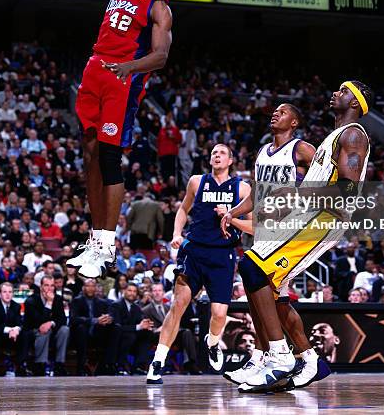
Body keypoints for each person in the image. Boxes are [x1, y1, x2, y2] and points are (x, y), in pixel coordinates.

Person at [224, 81, 372, 392]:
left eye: (343, 90)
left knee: (252, 267)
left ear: (356, 103)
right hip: (305, 214)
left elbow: (347, 188)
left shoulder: (354, 134)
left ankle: (279, 356)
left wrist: (297, 195)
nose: (335, 92)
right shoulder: (335, 136)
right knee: (264, 284)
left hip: (322, 218)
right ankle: (301, 358)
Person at [68, 0, 174, 279]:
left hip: (121, 77)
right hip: (96, 68)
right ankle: (94, 239)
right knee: (90, 152)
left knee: (111, 158)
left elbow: (161, 56)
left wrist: (130, 69)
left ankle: (107, 244)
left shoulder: (160, 4)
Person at [220, 104, 321, 390]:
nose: (276, 114)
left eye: (283, 112)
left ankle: (280, 355)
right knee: (272, 299)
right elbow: (255, 192)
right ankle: (280, 356)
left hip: (291, 230)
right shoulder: (264, 151)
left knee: (255, 276)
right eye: (274, 111)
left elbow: (326, 183)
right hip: (267, 230)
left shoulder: (302, 149)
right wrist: (233, 213)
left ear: (295, 121)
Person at [146, 143, 251, 384]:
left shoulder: (242, 189)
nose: (216, 155)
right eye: (213, 152)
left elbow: (255, 227)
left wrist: (230, 217)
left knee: (219, 313)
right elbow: (183, 210)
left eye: (222, 153)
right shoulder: (196, 181)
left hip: (222, 255)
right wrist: (176, 234)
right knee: (178, 305)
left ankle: (213, 342)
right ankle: (157, 362)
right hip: (193, 252)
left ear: (231, 161)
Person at [141, 283, 200, 374]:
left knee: (187, 332)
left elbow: (177, 323)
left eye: (159, 291)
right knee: (164, 334)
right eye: (155, 291)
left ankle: (191, 363)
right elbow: (146, 328)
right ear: (151, 293)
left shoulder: (170, 308)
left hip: (173, 335)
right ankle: (165, 365)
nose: (157, 293)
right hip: (156, 336)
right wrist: (157, 329)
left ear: (163, 293)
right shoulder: (146, 310)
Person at [23, 275, 69, 376]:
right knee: (44, 330)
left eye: (52, 286)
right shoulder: (31, 300)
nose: (50, 288)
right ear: (41, 287)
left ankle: (59, 364)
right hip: (33, 331)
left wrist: (51, 323)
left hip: (51, 330)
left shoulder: (57, 299)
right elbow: (38, 322)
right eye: (46, 285)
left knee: (65, 330)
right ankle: (40, 364)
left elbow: (62, 319)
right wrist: (49, 303)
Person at [69, 279, 117, 375]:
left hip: (97, 334)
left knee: (115, 328)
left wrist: (108, 319)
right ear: (83, 288)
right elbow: (74, 319)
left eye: (93, 286)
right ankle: (81, 368)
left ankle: (108, 365)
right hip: (80, 335)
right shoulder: (77, 301)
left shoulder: (102, 302)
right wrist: (94, 320)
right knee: (81, 328)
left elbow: (109, 315)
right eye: (88, 286)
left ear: (96, 288)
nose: (90, 288)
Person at [0, 282, 27, 376]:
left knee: (25, 334)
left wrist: (16, 330)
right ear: (0, 294)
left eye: (10, 292)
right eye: (5, 292)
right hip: (0, 337)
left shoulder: (16, 306)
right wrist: (9, 330)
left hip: (13, 338)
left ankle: (21, 365)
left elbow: (19, 323)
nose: (8, 294)